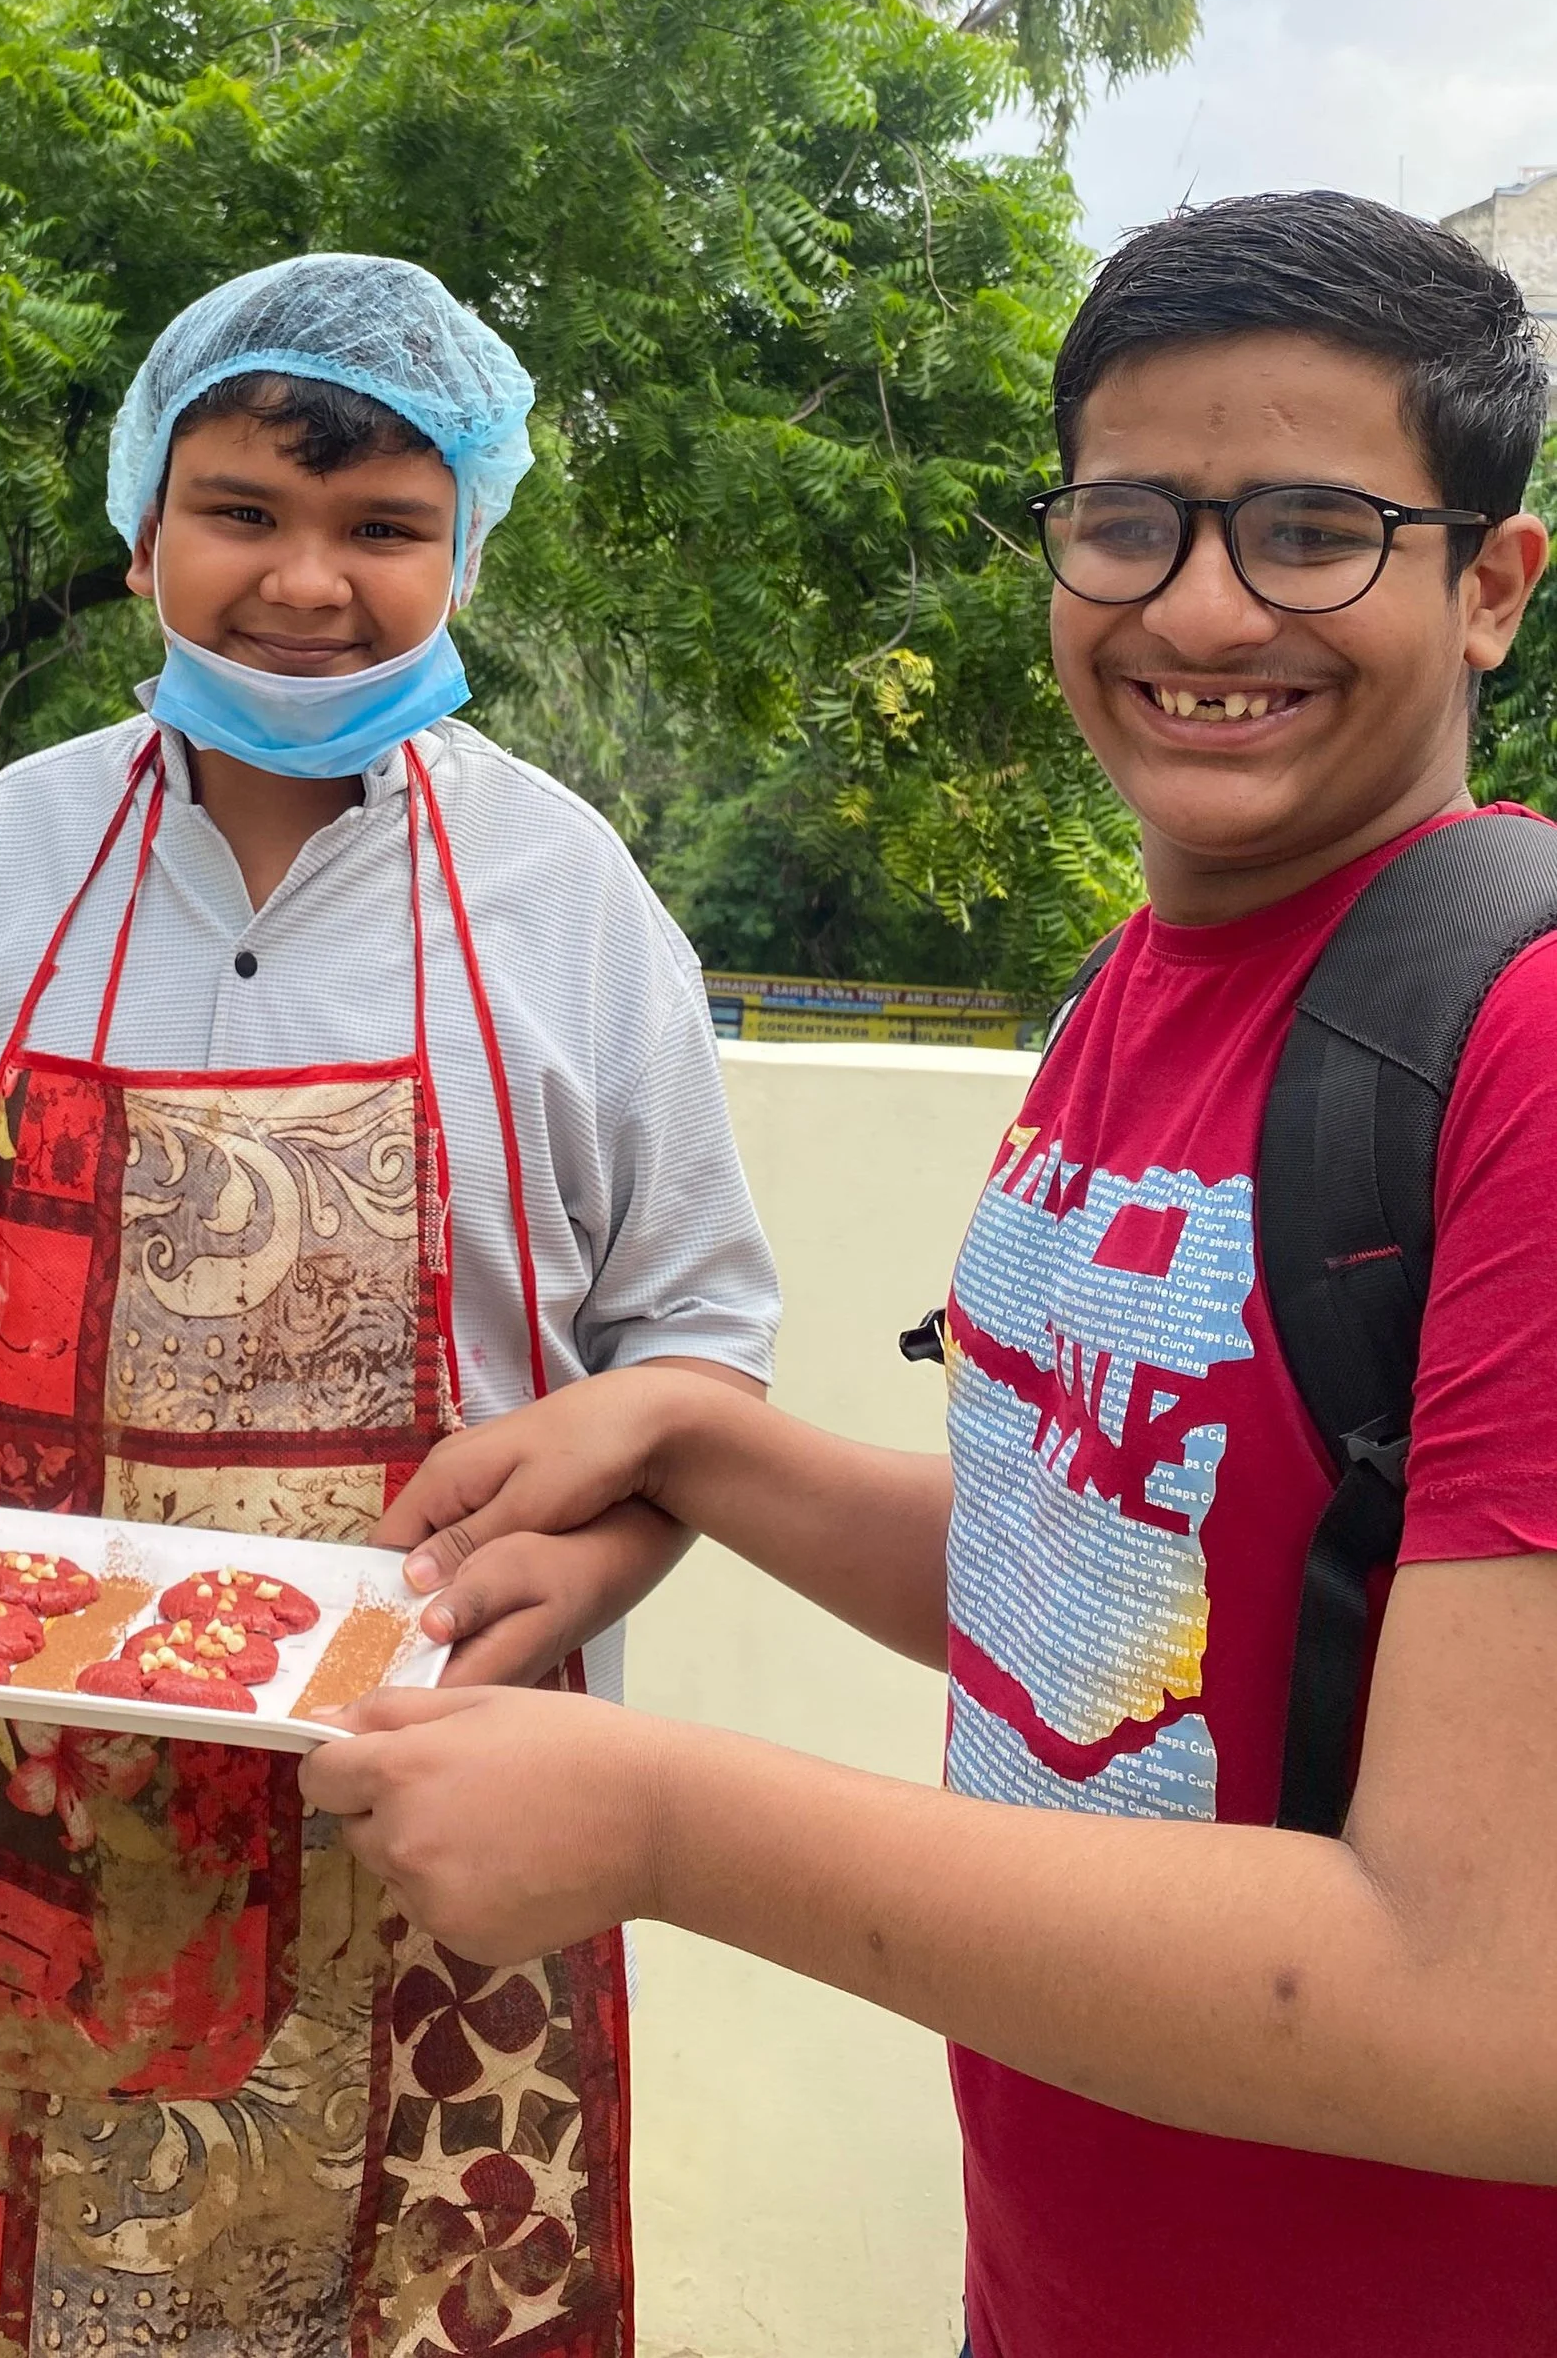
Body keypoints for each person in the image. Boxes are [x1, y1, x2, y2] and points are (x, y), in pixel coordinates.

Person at [304, 190, 1557, 2358]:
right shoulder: (1139, 985)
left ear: (1489, 587)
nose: (1198, 600)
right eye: (1129, 521)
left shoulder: (1513, 1047)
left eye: (1309, 528)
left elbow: (1485, 2000)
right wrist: (699, 1438)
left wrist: (667, 1822)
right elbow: (1119, 1587)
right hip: (1069, 2278)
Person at [0, 250, 782, 2358]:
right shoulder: (10, 848)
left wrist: (578, 1581)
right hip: (35, 1814)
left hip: (438, 1795)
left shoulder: (567, 897)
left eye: (381, 525)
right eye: (243, 512)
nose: (307, 579)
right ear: (139, 533)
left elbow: (690, 1359)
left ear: (461, 545)